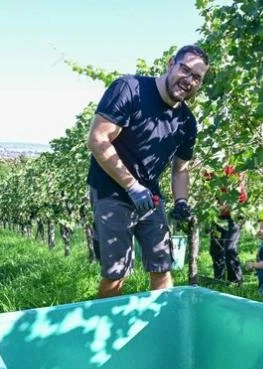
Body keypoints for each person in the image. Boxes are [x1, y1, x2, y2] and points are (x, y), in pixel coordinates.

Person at [86, 45, 209, 298]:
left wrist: (182, 200)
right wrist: (131, 186)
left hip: (149, 196)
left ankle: (161, 325)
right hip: (111, 189)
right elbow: (98, 139)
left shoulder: (186, 122)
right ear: (170, 64)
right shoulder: (130, 89)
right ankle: (106, 331)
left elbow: (180, 169)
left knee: (163, 267)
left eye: (197, 77)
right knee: (116, 273)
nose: (189, 80)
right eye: (185, 70)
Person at [209, 205, 243, 284]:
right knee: (215, 251)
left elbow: (241, 201)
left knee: (229, 249)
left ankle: (235, 281)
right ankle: (219, 279)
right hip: (217, 218)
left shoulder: (235, 193)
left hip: (232, 219)